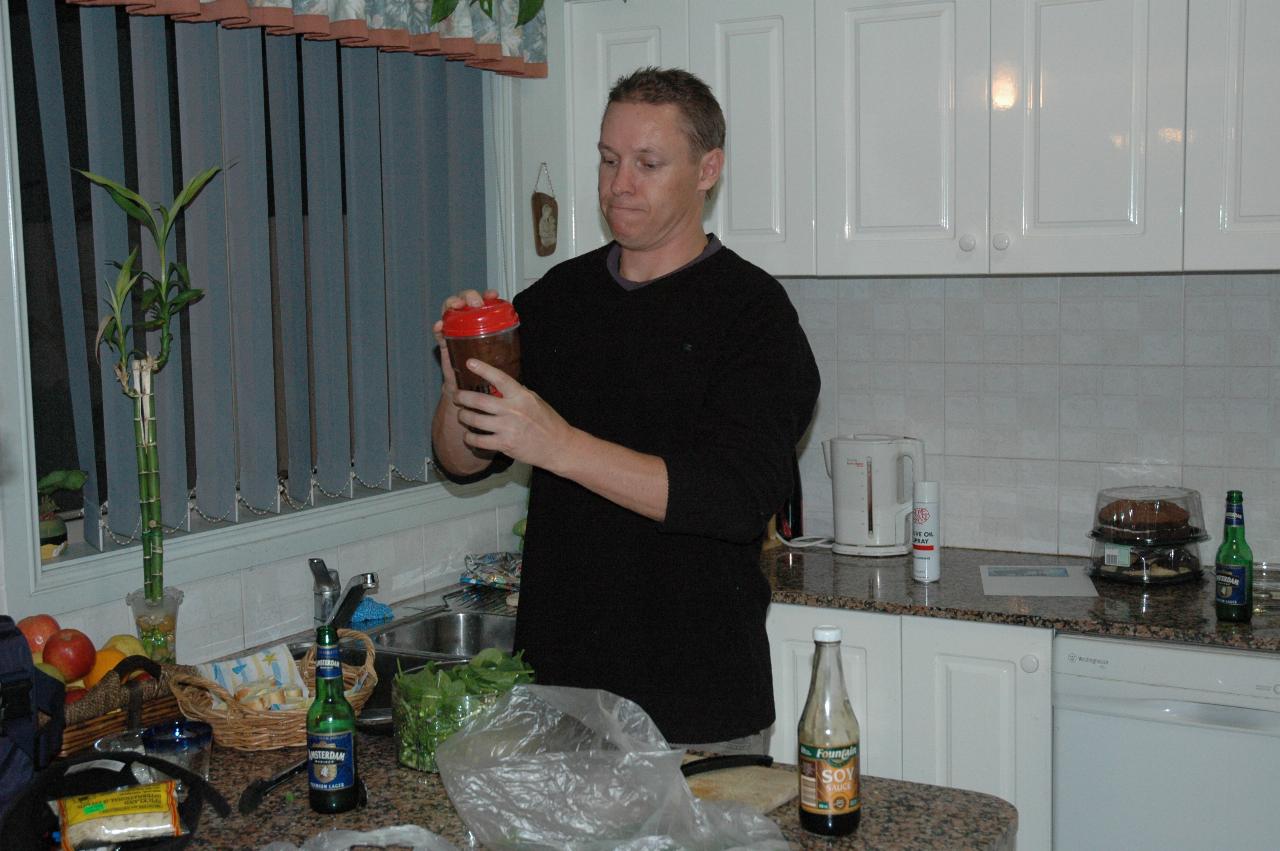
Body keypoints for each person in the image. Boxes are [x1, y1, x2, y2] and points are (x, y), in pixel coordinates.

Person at [431, 67, 820, 749]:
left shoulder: (754, 315)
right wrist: (461, 372)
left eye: (647, 163)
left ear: (708, 170)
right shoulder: (555, 300)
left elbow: (732, 498)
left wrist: (560, 445)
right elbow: (461, 460)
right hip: (557, 702)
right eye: (609, 160)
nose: (618, 184)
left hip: (698, 712)